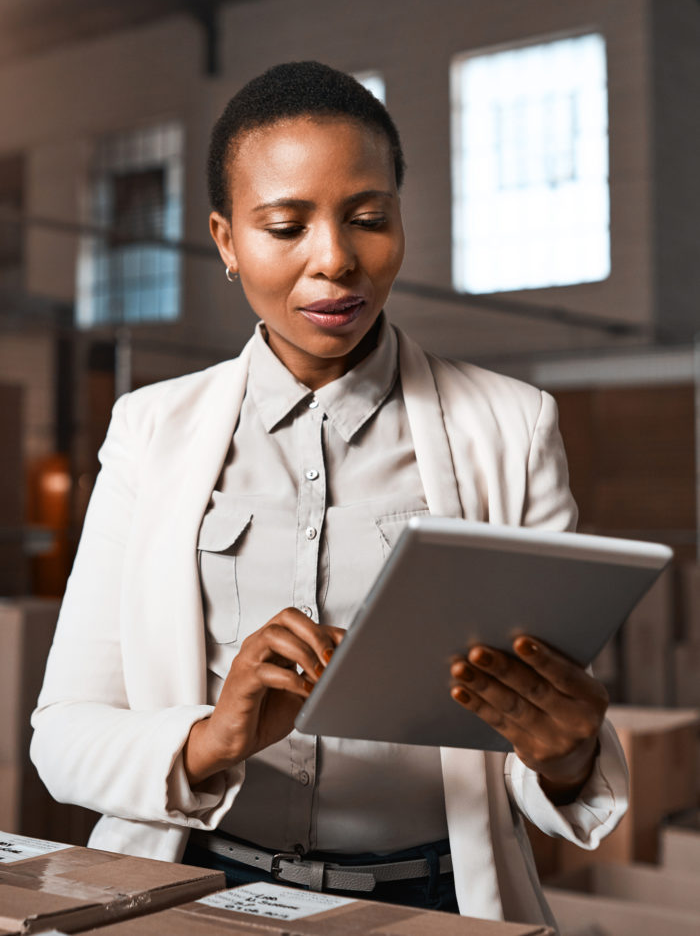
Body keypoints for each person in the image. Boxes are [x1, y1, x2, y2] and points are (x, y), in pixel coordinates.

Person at [31, 61, 628, 927]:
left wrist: (566, 755)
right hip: (196, 888)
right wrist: (212, 740)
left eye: (368, 219)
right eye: (285, 225)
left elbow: (540, 756)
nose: (337, 259)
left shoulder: (511, 425)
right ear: (227, 241)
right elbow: (65, 735)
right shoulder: (150, 428)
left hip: (430, 899)